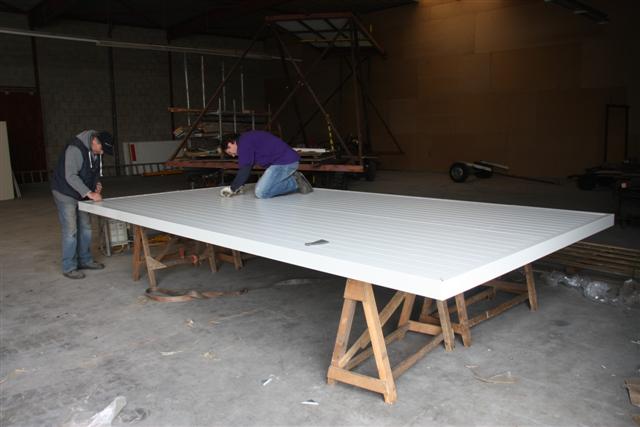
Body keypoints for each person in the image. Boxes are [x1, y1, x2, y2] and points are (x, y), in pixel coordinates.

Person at [51, 130, 114, 279]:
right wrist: (90, 193)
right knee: (71, 231)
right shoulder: (75, 149)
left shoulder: (96, 152)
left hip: (82, 193)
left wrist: (96, 185)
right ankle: (69, 267)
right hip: (65, 192)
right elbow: (71, 176)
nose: (102, 152)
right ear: (95, 142)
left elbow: (94, 173)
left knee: (86, 228)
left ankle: (85, 260)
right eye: (102, 148)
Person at [219, 130, 313, 198]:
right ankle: (294, 179)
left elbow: (245, 168)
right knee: (264, 188)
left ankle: (295, 182)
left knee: (261, 192)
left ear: (231, 143)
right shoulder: (246, 139)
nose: (233, 155)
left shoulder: (244, 143)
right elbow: (248, 166)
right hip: (284, 162)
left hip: (284, 163)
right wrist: (240, 185)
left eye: (230, 152)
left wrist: (233, 188)